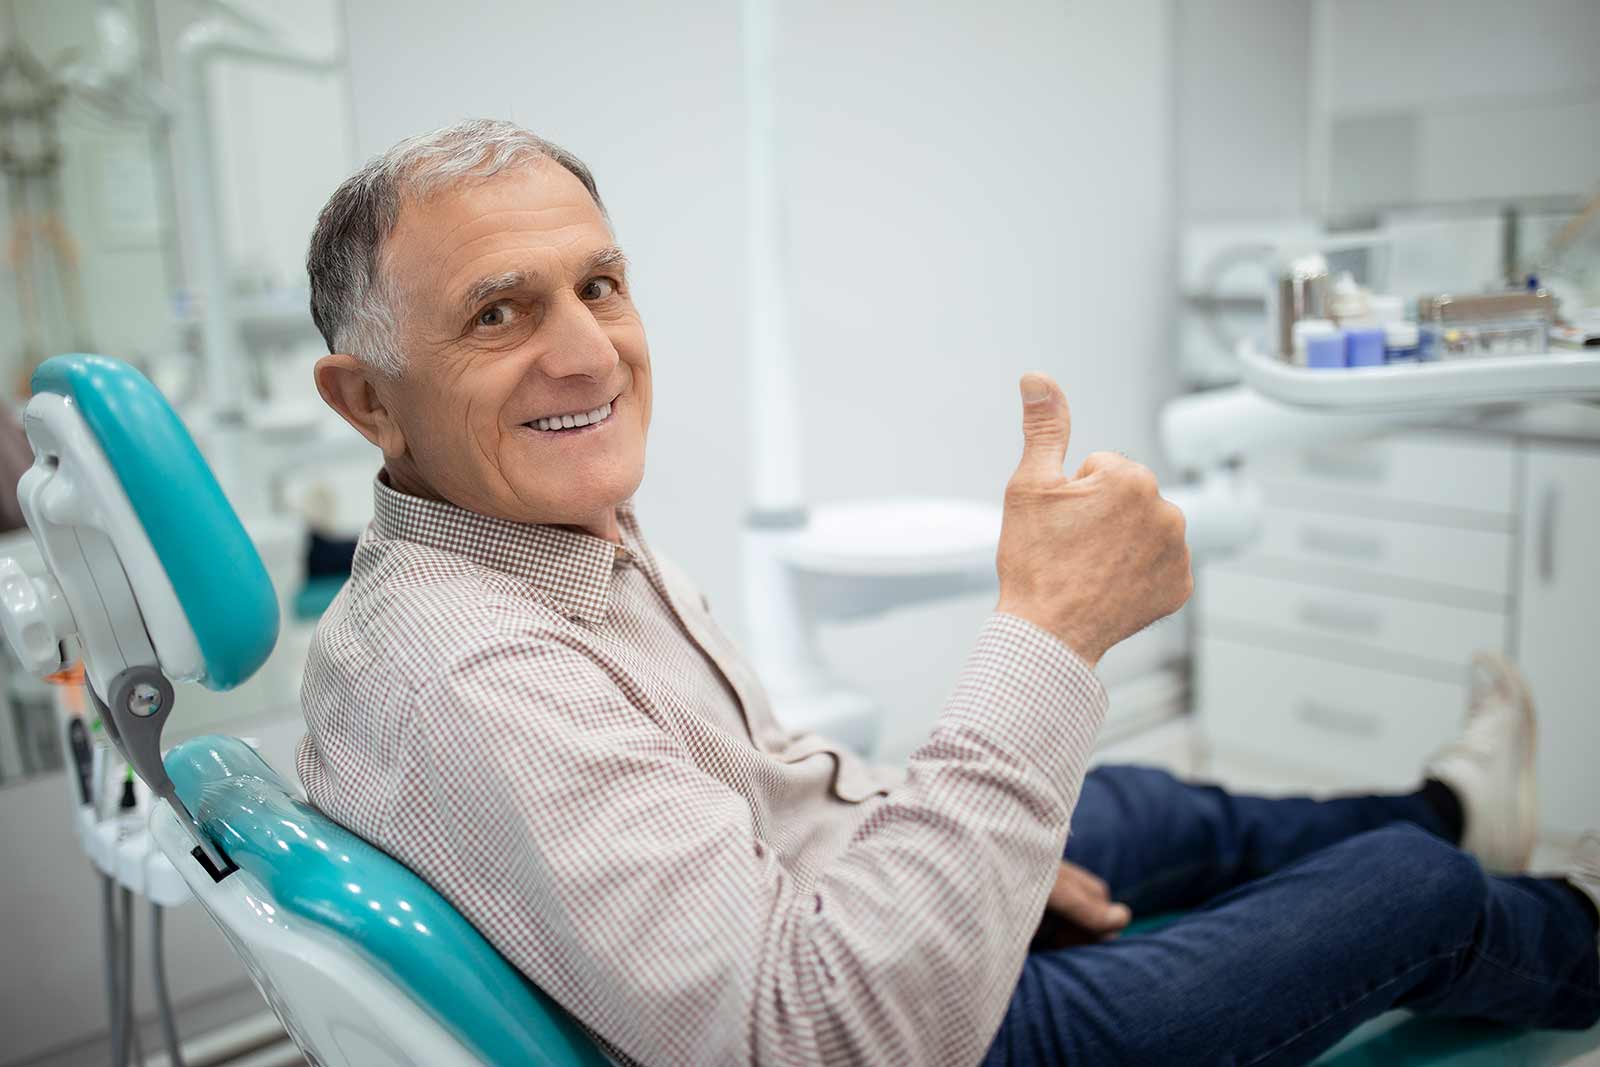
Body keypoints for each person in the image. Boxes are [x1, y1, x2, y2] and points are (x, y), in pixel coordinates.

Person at [297, 119, 1600, 1066]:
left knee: (1138, 806)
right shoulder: (474, 668)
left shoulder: (538, 541)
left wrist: (966, 864)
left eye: (600, 286)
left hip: (826, 938)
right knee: (1395, 897)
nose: (590, 354)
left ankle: (1456, 809)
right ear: (366, 399)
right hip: (886, 1035)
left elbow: (772, 797)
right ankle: (1561, 917)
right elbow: (825, 1037)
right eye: (498, 316)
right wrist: (1048, 629)